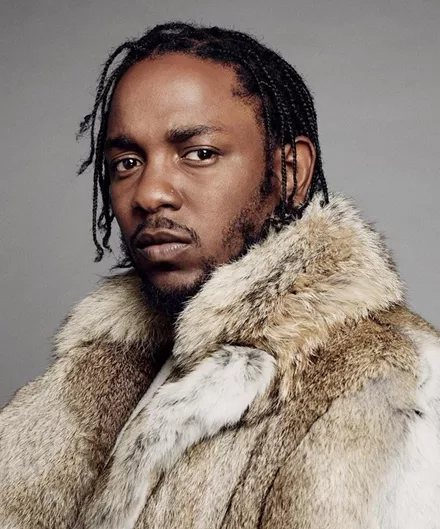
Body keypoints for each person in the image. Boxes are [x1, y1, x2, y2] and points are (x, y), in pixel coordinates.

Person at [0, 21, 439, 529]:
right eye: (127, 161)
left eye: (200, 154)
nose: (149, 193)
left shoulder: (398, 387)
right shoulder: (88, 382)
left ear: (289, 174)